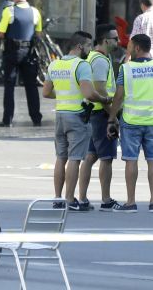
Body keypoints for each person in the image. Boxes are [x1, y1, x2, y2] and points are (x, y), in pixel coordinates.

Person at [42, 31, 109, 211]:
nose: (90, 49)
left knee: (60, 158)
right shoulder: (82, 65)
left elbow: (46, 92)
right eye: (88, 46)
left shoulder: (54, 64)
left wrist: (64, 95)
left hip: (60, 115)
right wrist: (103, 99)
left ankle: (58, 198)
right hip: (77, 116)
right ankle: (70, 200)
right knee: (74, 159)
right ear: (80, 46)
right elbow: (88, 93)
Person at [108, 33, 153, 213]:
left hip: (131, 121)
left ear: (136, 48)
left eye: (128, 47)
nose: (127, 49)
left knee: (131, 161)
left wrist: (112, 118)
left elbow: (118, 96)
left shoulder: (126, 69)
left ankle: (131, 202)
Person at [78, 24, 122, 211]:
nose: (118, 41)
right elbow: (100, 88)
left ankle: (82, 198)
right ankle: (106, 200)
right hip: (101, 114)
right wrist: (112, 115)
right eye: (115, 38)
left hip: (92, 112)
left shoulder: (94, 57)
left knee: (90, 156)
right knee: (106, 157)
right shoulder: (101, 60)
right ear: (105, 40)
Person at [0, 0, 44, 127]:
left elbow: (0, 33)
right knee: (31, 86)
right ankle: (36, 118)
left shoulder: (8, 11)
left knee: (9, 86)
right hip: (29, 53)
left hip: (12, 52)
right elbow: (39, 33)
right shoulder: (35, 12)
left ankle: (8, 120)